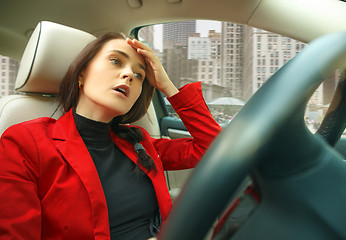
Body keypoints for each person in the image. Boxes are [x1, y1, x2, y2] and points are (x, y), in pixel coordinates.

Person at [0, 32, 221, 239]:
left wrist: (166, 84)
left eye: (139, 75)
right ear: (82, 74)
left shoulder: (139, 141)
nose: (128, 75)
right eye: (116, 61)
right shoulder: (25, 142)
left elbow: (213, 148)